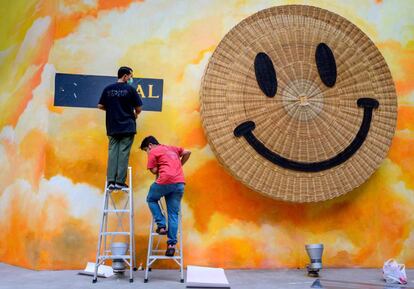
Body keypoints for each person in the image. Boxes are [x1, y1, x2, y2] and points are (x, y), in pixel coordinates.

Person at [140, 136, 191, 256]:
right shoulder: (172, 148)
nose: (147, 152)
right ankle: (171, 245)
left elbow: (153, 170)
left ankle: (162, 225)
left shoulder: (153, 151)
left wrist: (160, 166)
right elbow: (188, 152)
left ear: (150, 145)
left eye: (146, 150)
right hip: (179, 183)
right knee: (173, 214)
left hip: (165, 182)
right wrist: (179, 164)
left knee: (151, 199)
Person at [98, 66, 142, 190]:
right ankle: (120, 182)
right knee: (123, 153)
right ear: (125, 76)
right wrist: (134, 114)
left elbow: (100, 105)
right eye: (130, 76)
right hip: (127, 127)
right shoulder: (130, 90)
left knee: (112, 153)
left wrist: (112, 110)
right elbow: (138, 109)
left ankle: (111, 181)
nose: (131, 79)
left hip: (112, 126)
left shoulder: (108, 89)